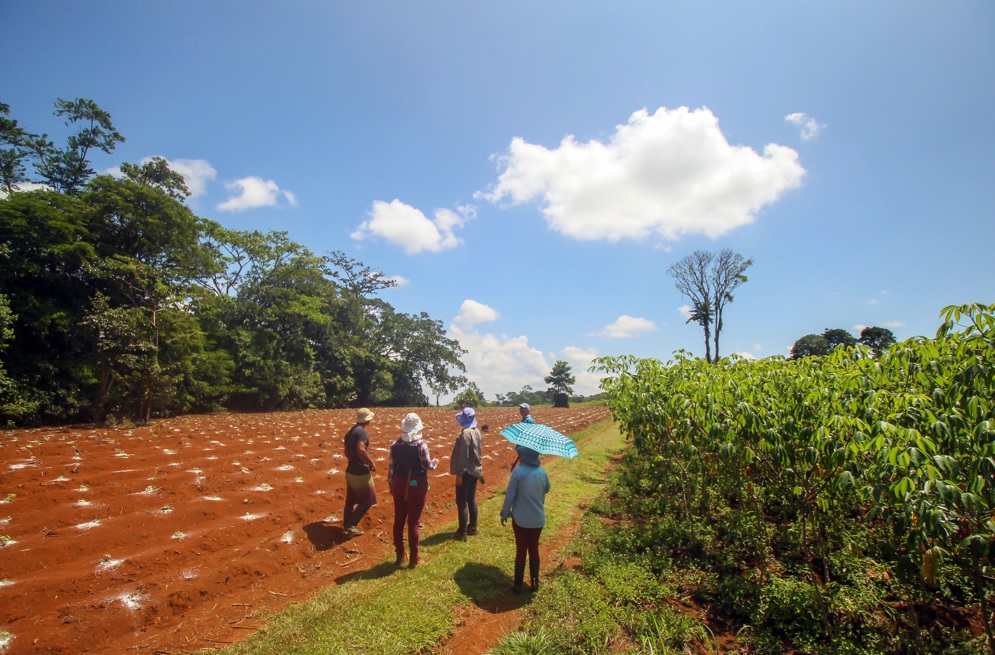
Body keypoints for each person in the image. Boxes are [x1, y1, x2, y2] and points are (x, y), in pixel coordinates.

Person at [388, 412, 439, 567]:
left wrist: (391, 484)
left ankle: (399, 555)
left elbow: (391, 468)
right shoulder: (420, 443)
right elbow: (427, 465)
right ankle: (414, 558)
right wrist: (435, 462)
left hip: (399, 482)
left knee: (399, 520)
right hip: (416, 483)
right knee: (414, 522)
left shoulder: (395, 444)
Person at [500, 445, 550, 594]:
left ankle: (517, 585)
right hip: (538, 520)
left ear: (524, 456)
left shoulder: (518, 473)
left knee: (521, 549)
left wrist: (504, 513)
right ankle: (535, 583)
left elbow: (510, 496)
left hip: (520, 520)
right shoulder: (543, 472)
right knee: (534, 548)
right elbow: (547, 489)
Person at [450, 406, 484, 541]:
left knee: (461, 501)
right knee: (471, 498)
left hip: (466, 472)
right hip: (475, 470)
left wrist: (460, 474)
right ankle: (473, 527)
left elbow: (464, 457)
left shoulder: (465, 434)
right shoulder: (477, 432)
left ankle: (462, 532)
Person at [343, 408, 377, 536]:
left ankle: (346, 524)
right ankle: (351, 525)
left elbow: (346, 451)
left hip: (350, 470)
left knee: (350, 500)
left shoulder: (350, 432)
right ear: (367, 420)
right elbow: (361, 450)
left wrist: (353, 461)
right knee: (368, 500)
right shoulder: (362, 432)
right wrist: (370, 462)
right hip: (360, 472)